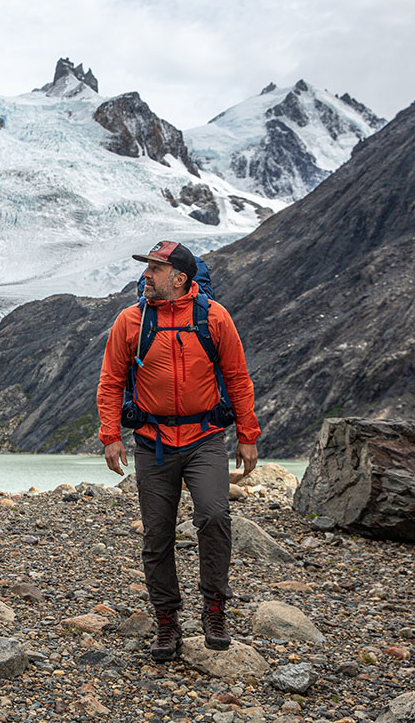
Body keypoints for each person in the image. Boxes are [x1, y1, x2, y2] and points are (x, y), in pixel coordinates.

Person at [96, 240, 260, 662]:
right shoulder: (130, 321)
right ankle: (167, 620)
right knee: (156, 535)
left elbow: (238, 378)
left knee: (214, 516)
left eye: (155, 268)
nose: (146, 275)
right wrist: (110, 435)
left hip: (205, 438)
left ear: (180, 278)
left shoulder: (214, 317)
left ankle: (215, 608)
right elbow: (111, 381)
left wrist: (248, 434)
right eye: (147, 267)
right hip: (152, 442)